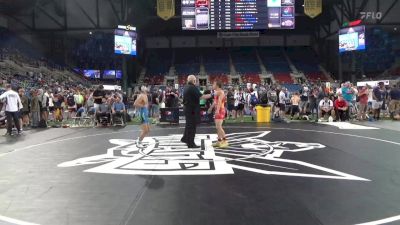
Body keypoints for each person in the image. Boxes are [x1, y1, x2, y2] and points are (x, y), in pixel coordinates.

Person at [181, 75, 211, 148]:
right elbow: (201, 97)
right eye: (196, 80)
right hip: (192, 109)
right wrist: (212, 95)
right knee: (192, 126)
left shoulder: (186, 87)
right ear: (194, 81)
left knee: (188, 125)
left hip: (187, 108)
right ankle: (191, 143)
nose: (196, 82)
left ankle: (185, 138)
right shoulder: (193, 87)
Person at [208, 81, 228, 148]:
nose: (212, 85)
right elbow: (215, 102)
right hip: (218, 110)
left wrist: (217, 110)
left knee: (219, 126)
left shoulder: (221, 92)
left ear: (217, 85)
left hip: (220, 110)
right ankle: (219, 141)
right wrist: (210, 108)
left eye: (213, 84)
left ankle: (225, 141)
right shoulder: (216, 92)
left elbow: (219, 101)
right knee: (217, 127)